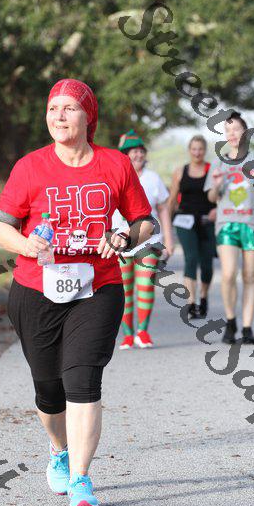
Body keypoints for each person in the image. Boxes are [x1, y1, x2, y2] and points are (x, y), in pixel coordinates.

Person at [0, 79, 154, 506]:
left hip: (97, 287)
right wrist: (27, 245)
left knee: (83, 380)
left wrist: (123, 237)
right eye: (53, 108)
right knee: (48, 388)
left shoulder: (115, 163)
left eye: (69, 108)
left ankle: (81, 479)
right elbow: (1, 226)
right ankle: (59, 450)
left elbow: (145, 221)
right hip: (36, 288)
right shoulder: (29, 166)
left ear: (88, 117)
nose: (58, 116)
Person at [204, 111, 254, 345]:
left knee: (249, 276)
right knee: (228, 273)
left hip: (252, 223)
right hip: (226, 223)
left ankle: (247, 327)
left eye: (236, 129)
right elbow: (212, 198)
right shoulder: (219, 161)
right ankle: (231, 320)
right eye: (228, 130)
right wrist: (215, 185)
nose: (232, 134)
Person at [112, 129, 174, 349]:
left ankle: (143, 332)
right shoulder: (114, 175)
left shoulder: (153, 178)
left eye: (141, 151)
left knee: (146, 284)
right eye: (133, 151)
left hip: (149, 239)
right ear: (125, 154)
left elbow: (163, 209)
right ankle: (128, 334)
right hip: (119, 240)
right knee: (125, 290)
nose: (138, 155)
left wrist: (169, 239)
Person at [168, 135, 217, 319]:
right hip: (184, 221)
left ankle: (203, 297)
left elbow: (221, 195)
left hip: (207, 220)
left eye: (200, 149)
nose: (197, 153)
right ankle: (191, 303)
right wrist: (167, 226)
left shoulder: (212, 171)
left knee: (206, 263)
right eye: (194, 149)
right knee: (191, 258)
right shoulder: (180, 171)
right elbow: (172, 200)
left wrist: (217, 210)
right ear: (189, 151)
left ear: (205, 151)